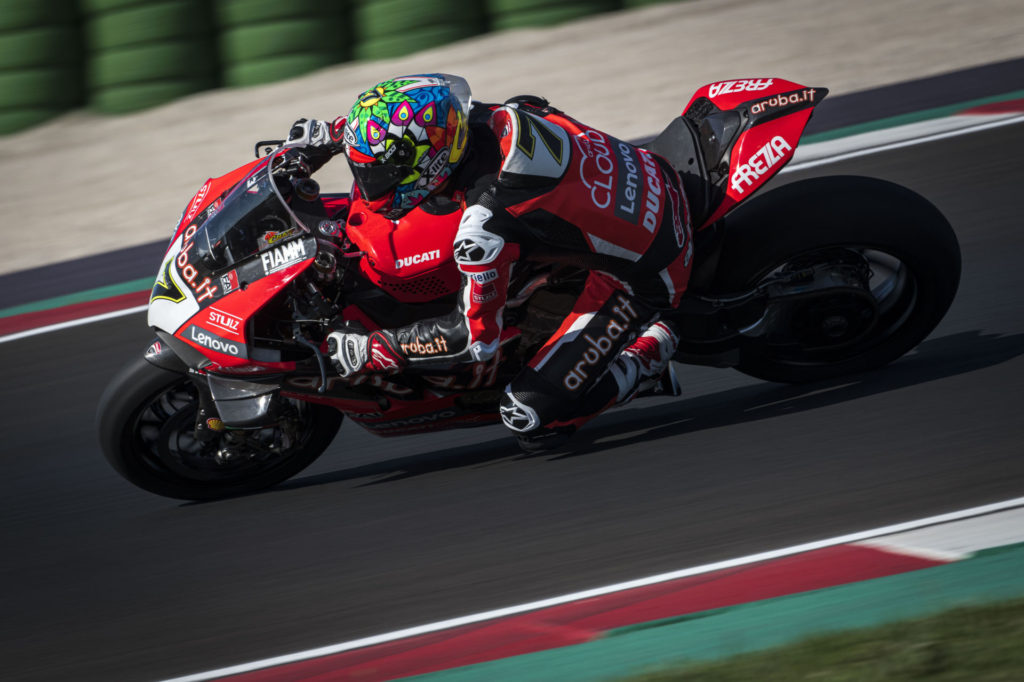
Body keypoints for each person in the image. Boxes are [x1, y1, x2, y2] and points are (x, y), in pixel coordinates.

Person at [285, 73, 693, 451]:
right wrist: (334, 135)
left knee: (528, 416)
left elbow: (476, 339)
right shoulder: (476, 119)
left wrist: (373, 348)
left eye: (378, 175)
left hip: (645, 272)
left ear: (429, 165)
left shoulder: (484, 225)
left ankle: (650, 352)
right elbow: (405, 123)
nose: (370, 187)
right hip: (646, 173)